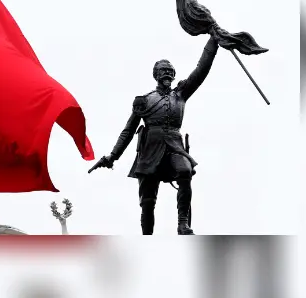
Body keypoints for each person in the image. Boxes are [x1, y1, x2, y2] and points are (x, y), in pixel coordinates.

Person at [89, 30, 220, 234]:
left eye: (170, 70)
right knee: (148, 201)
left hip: (175, 146)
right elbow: (128, 130)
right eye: (163, 70)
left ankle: (183, 223)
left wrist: (214, 41)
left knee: (185, 171)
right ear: (156, 75)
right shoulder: (144, 100)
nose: (167, 73)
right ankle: (147, 236)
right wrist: (112, 156)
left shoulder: (181, 94)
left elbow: (200, 70)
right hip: (150, 149)